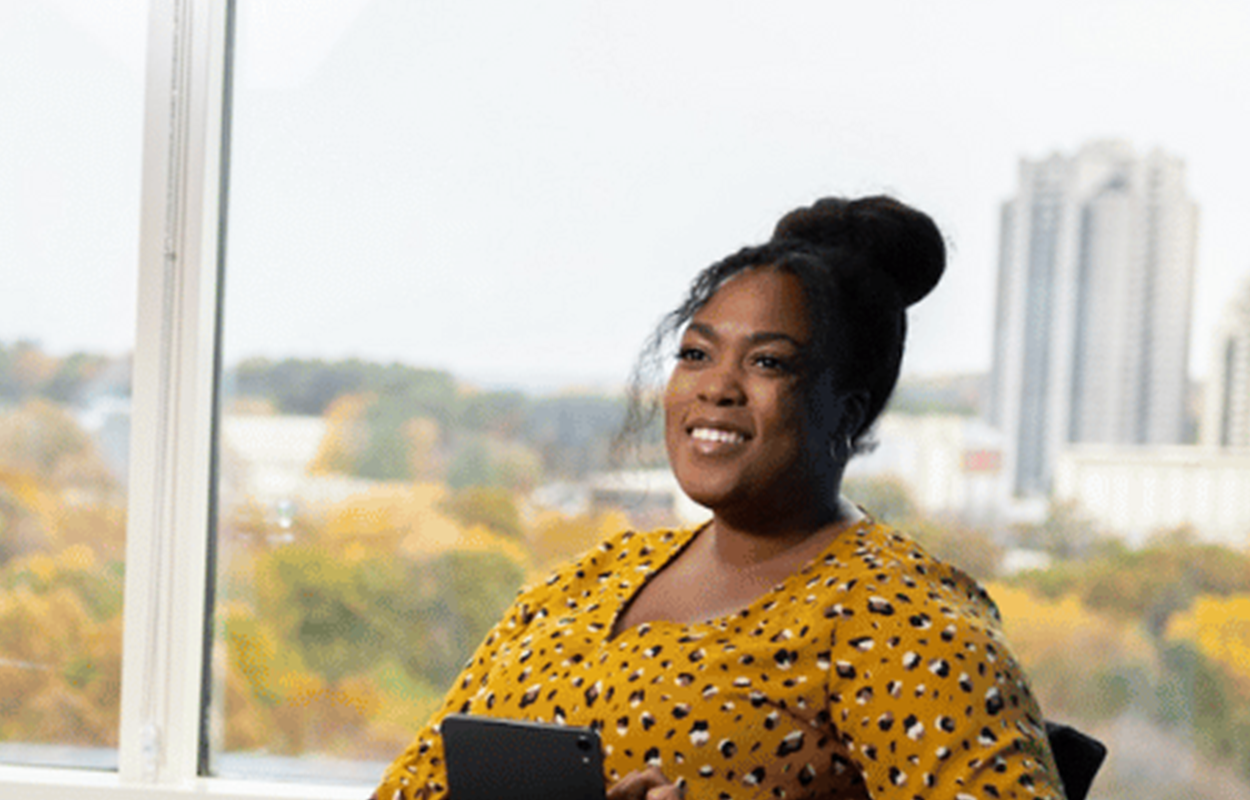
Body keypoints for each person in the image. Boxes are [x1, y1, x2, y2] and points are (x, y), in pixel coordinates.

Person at [373, 196, 1065, 800]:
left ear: (848, 411)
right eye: (697, 354)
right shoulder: (581, 585)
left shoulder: (899, 618)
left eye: (768, 363)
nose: (716, 387)